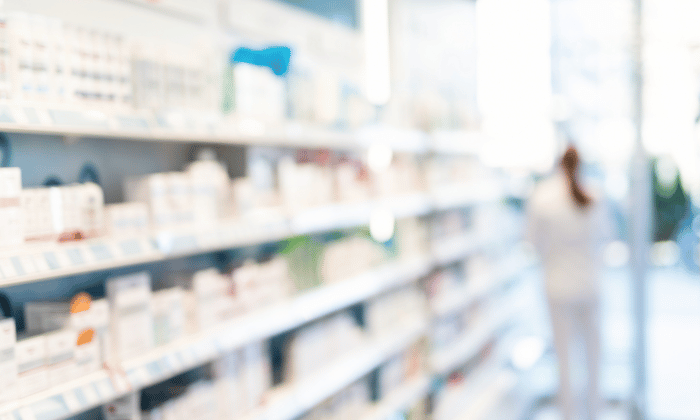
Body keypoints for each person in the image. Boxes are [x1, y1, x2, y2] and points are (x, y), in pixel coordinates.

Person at [525, 145, 611, 420]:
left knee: (564, 360)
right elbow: (604, 237)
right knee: (593, 359)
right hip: (589, 286)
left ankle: (569, 415)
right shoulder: (594, 194)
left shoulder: (542, 197)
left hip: (558, 288)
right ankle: (594, 412)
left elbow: (532, 243)